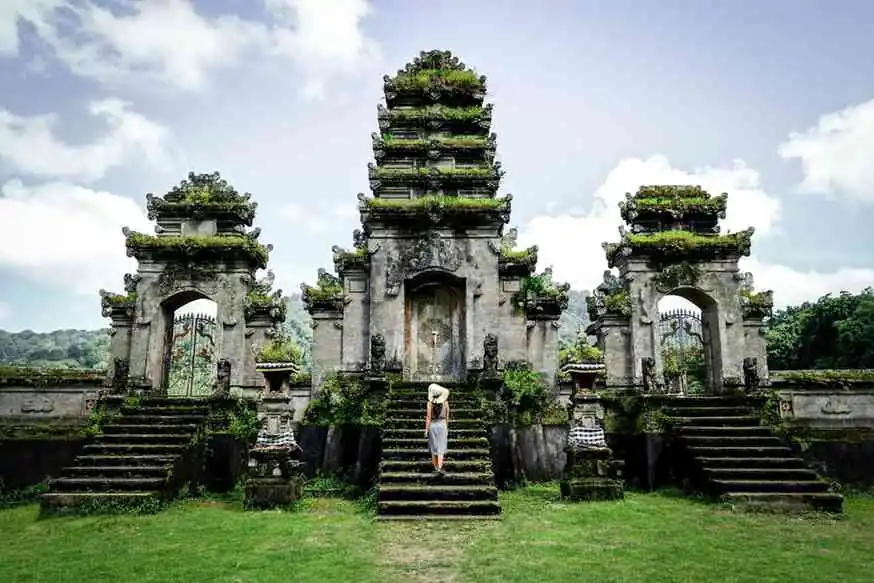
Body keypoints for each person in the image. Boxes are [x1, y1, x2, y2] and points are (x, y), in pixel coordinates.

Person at [424, 383, 450, 475]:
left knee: (434, 447)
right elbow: (447, 417)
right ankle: (440, 467)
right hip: (442, 425)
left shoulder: (429, 404)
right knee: (441, 448)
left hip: (433, 425)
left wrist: (426, 430)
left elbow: (428, 417)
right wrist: (446, 427)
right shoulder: (445, 403)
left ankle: (435, 468)